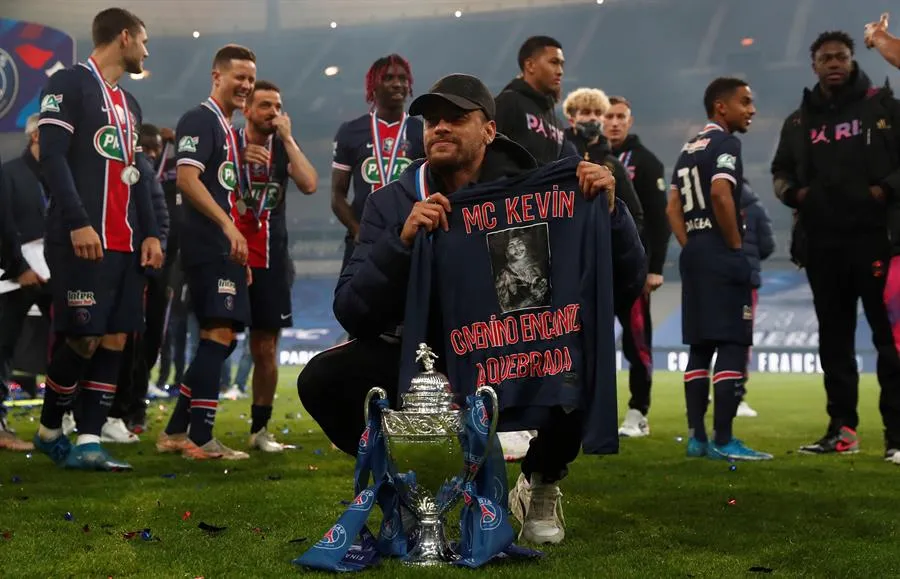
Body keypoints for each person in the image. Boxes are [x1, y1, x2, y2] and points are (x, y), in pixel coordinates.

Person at [300, 73, 644, 545]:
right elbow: (353, 312)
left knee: (574, 355)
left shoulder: (533, 194)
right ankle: (410, 486)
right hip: (423, 359)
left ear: (488, 130)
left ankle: (541, 483)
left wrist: (611, 213)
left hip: (501, 348)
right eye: (432, 120)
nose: (439, 128)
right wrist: (401, 244)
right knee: (322, 380)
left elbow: (626, 282)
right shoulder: (391, 202)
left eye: (456, 118)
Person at [33, 7, 163, 470]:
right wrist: (78, 221)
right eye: (144, 41)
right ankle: (51, 428)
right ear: (124, 37)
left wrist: (150, 232)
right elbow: (51, 157)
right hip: (82, 239)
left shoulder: (130, 105)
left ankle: (88, 439)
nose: (147, 51)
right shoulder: (67, 84)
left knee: (113, 340)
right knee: (83, 339)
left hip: (126, 245)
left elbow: (138, 175)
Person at [771, 31, 900, 460]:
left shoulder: (882, 106)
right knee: (834, 343)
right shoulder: (798, 121)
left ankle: (896, 436)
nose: (833, 63)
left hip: (878, 242)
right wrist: (798, 196)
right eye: (825, 57)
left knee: (890, 342)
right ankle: (842, 430)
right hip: (823, 246)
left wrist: (885, 189)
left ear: (851, 59)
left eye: (840, 56)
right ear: (814, 65)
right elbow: (780, 173)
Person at [157, 44, 258, 461]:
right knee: (217, 335)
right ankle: (200, 437)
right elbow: (186, 179)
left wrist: (237, 245)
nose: (246, 86)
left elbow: (225, 193)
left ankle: (177, 431)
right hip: (205, 245)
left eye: (251, 79)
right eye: (240, 77)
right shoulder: (200, 119)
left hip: (223, 247)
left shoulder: (231, 130)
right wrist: (227, 226)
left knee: (224, 337)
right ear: (217, 76)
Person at [667, 76, 771, 461]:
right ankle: (725, 439)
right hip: (721, 253)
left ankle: (697, 438)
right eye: (745, 102)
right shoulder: (727, 143)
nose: (752, 109)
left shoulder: (688, 148)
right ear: (721, 107)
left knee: (699, 346)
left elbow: (672, 206)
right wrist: (732, 246)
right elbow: (719, 193)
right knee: (731, 342)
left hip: (694, 252)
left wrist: (691, 244)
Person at [235, 79, 317, 452]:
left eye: (277, 106)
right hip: (231, 254)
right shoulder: (229, 142)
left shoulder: (283, 149)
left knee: (266, 347)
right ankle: (191, 426)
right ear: (247, 109)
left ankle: (259, 430)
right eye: (265, 105)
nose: (273, 112)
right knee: (215, 341)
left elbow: (310, 184)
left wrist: (288, 139)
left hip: (271, 259)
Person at [603, 95, 671, 438]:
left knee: (637, 342)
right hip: (596, 271)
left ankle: (637, 412)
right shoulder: (584, 157)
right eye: (608, 116)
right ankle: (590, 412)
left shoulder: (646, 162)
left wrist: (654, 267)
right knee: (590, 344)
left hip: (632, 271)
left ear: (629, 122)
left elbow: (660, 218)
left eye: (620, 117)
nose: (613, 122)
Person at [331, 54, 425, 272]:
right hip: (363, 242)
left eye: (403, 78)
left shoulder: (421, 131)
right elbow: (337, 195)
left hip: (409, 238)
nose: (398, 84)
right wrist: (357, 231)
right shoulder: (350, 131)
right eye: (389, 78)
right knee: (355, 304)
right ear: (373, 85)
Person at [0, 115, 51, 451]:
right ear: (34, 136)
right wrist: (18, 267)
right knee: (2, 347)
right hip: (15, 275)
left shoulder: (61, 175)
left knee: (72, 342)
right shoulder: (9, 173)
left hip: (54, 273)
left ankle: (63, 420)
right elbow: (3, 223)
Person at [494, 36, 567, 166]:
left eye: (562, 64)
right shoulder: (508, 102)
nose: (560, 71)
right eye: (554, 62)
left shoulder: (557, 123)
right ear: (530, 65)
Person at [737, 179, 774, 419]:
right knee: (741, 338)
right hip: (745, 281)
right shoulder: (756, 207)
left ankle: (704, 392)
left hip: (712, 280)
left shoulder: (707, 198)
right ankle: (736, 396)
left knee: (707, 336)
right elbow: (768, 245)